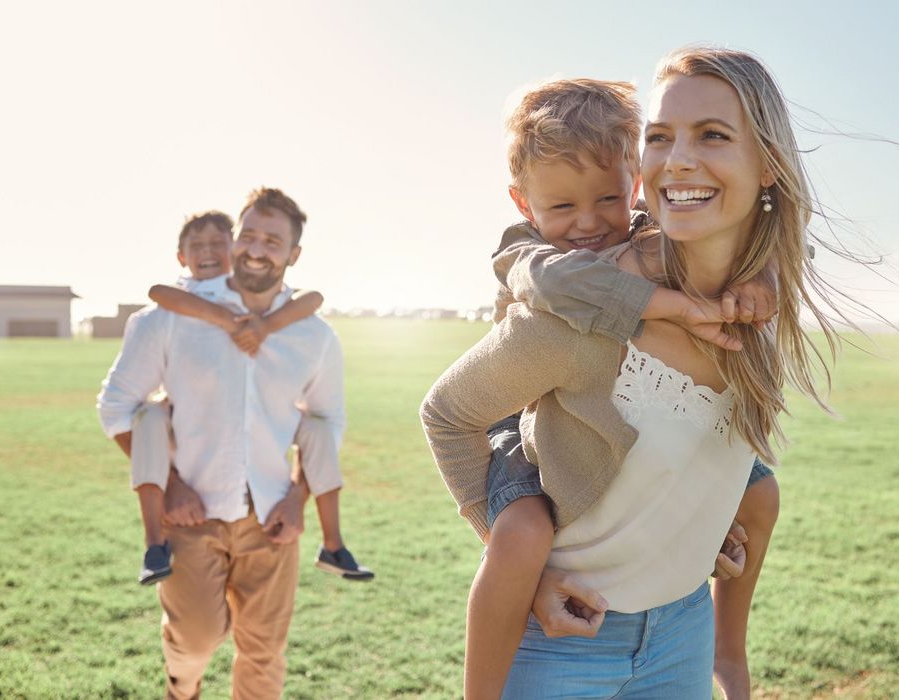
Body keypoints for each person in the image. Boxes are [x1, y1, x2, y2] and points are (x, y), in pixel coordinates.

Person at [422, 45, 858, 698]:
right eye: (663, 137)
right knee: (521, 532)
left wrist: (686, 529)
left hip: (684, 629)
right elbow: (451, 406)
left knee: (760, 491)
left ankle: (729, 656)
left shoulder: (761, 299)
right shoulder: (573, 305)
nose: (588, 222)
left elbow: (782, 240)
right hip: (565, 637)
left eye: (712, 135)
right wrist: (524, 566)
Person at [98, 187, 345, 698]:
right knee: (195, 641)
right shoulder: (172, 318)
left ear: (293, 254)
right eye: (249, 235)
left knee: (263, 656)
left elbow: (327, 422)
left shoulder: (314, 337)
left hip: (271, 518)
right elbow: (116, 407)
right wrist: (169, 485)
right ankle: (181, 688)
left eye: (273, 240)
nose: (257, 248)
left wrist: (298, 499)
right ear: (234, 240)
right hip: (191, 515)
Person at [129, 210, 372, 584]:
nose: (208, 254)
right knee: (148, 417)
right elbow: (157, 293)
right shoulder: (187, 296)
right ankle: (154, 543)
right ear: (182, 256)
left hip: (263, 485)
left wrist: (265, 326)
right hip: (185, 435)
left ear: (232, 249)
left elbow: (314, 298)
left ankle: (334, 543)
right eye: (196, 246)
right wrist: (226, 321)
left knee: (320, 428)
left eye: (217, 244)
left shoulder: (260, 299)